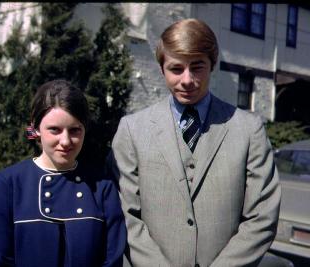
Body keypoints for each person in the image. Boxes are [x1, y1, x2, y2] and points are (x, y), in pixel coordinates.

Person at [108, 18, 281, 267]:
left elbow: (262, 217)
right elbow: (124, 214)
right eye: (176, 69)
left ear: (212, 65)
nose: (187, 80)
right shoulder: (133, 129)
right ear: (162, 69)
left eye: (197, 67)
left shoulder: (248, 130)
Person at [0, 79, 126, 267]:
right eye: (55, 130)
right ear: (36, 129)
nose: (65, 141)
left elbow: (113, 259)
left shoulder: (102, 186)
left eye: (75, 130)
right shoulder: (8, 184)